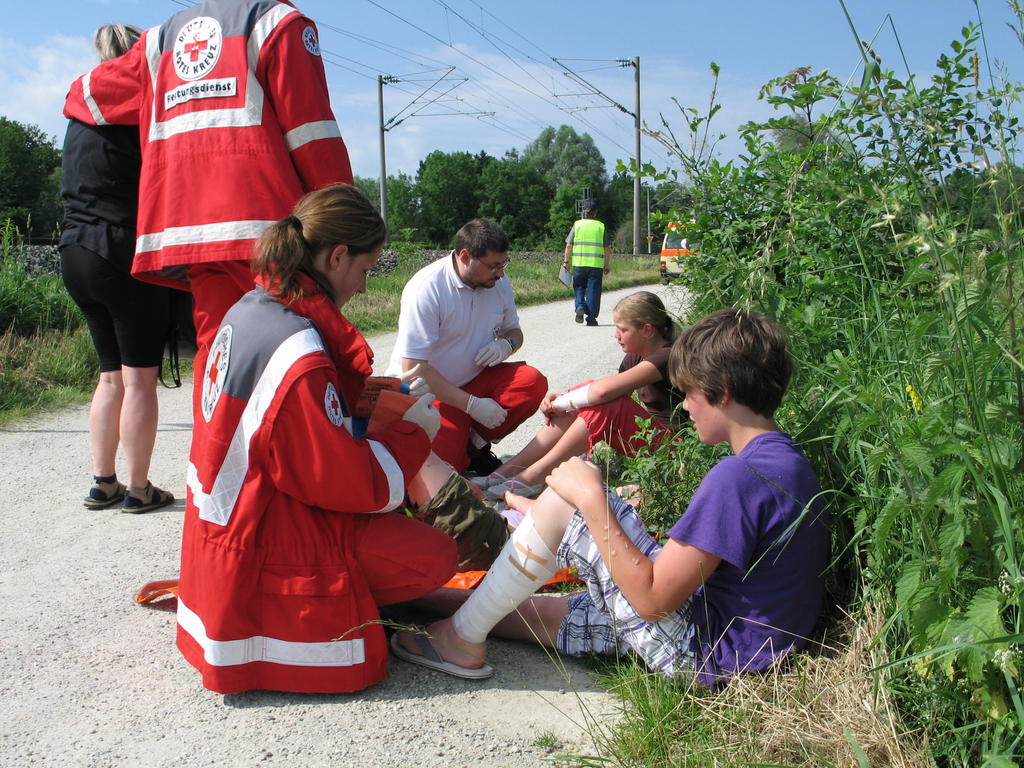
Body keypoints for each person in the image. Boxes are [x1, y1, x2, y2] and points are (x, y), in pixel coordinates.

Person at [391, 308, 829, 687]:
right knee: (535, 611)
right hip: (737, 643)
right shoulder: (784, 459)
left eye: (690, 393)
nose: (685, 407)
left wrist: (591, 499)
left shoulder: (737, 477)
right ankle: (410, 603)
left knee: (566, 501)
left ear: (724, 391)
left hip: (702, 651)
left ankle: (460, 640)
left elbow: (652, 603)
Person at [177, 184, 459, 694]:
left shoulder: (252, 306)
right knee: (433, 557)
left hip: (225, 529)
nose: (364, 287)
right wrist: (415, 432)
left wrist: (370, 397)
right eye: (365, 270)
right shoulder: (299, 350)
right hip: (266, 533)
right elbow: (344, 481)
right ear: (337, 256)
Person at [62, 0, 354, 391]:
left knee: (219, 349)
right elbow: (311, 134)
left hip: (189, 230)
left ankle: (215, 434)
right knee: (293, 344)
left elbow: (87, 93)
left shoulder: (161, 41)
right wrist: (347, 222)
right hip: (263, 223)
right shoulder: (278, 23)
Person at [59, 24, 175, 514]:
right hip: (122, 250)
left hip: (74, 251)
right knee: (140, 380)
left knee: (110, 378)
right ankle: (140, 489)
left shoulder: (78, 109)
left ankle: (103, 482)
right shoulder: (139, 104)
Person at [474, 291, 684, 499]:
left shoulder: (667, 357)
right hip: (650, 440)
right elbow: (608, 394)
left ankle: (536, 475)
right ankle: (508, 471)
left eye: (622, 329)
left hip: (675, 451)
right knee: (591, 399)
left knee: (604, 401)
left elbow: (602, 392)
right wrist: (564, 402)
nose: (615, 335)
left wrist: (565, 402)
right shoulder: (636, 357)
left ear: (647, 330)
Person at [386, 219, 548, 475]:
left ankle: (474, 450)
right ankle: (462, 452)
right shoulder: (428, 288)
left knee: (530, 382)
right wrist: (472, 405)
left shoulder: (498, 284)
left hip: (475, 383)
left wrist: (506, 345)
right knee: (444, 469)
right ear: (465, 256)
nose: (501, 273)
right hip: (434, 394)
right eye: (494, 266)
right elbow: (414, 368)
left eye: (503, 264)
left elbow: (515, 332)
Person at [564, 200, 610, 327]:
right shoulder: (601, 227)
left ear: (583, 211)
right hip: (596, 265)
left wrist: (566, 262)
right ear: (595, 212)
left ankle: (580, 306)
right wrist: (606, 264)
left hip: (579, 264)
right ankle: (591, 318)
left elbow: (568, 245)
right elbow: (607, 248)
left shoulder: (577, 225)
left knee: (579, 287)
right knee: (593, 290)